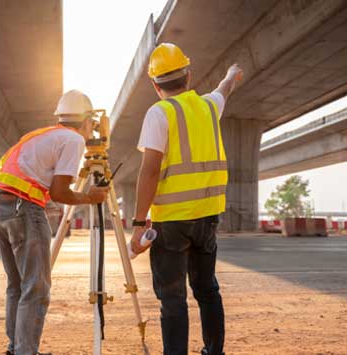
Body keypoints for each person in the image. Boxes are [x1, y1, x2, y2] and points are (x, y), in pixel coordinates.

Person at [129, 43, 243, 355]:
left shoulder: (159, 112)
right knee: (207, 290)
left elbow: (149, 171)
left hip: (172, 223)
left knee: (173, 297)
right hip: (207, 219)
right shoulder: (208, 107)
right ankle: (213, 351)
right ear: (188, 76)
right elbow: (224, 89)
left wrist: (139, 224)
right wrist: (232, 73)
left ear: (154, 84)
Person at [0, 89, 109, 355]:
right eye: (92, 127)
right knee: (36, 287)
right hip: (23, 206)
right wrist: (89, 197)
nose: (91, 133)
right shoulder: (73, 140)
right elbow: (59, 193)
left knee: (17, 285)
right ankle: (25, 351)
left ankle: (17, 348)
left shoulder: (42, 135)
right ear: (86, 121)